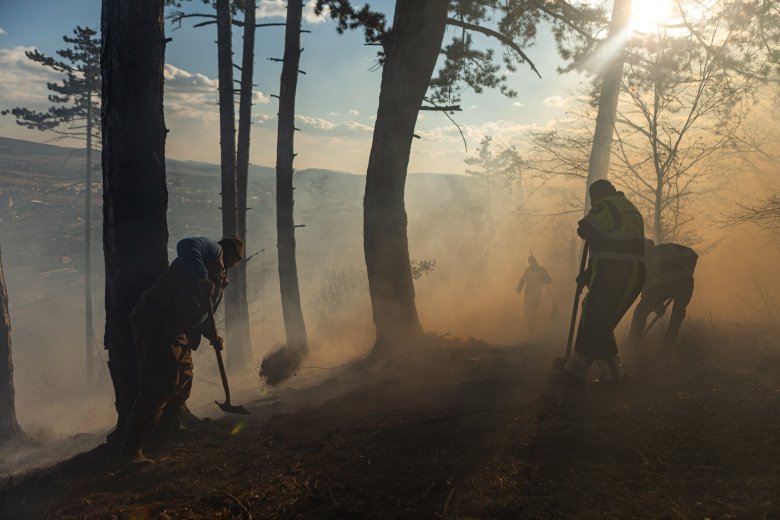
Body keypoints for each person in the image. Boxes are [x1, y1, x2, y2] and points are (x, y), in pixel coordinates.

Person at [120, 236, 244, 463]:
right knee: (161, 382)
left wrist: (212, 335)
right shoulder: (212, 252)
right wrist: (201, 277)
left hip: (178, 328)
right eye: (236, 260)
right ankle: (132, 448)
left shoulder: (219, 277)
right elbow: (185, 245)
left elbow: (201, 314)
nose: (234, 265)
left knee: (184, 377)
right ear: (231, 254)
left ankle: (172, 431)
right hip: (158, 319)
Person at [564, 180, 645, 383]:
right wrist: (589, 273)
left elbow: (586, 229)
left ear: (596, 195)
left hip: (616, 274)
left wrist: (584, 223)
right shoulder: (630, 209)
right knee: (596, 321)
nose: (593, 205)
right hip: (626, 273)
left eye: (592, 201)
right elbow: (616, 247)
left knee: (596, 320)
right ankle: (577, 367)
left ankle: (612, 375)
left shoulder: (607, 204)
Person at [629, 239, 697, 344]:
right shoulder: (669, 247)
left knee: (640, 312)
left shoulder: (645, 261)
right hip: (686, 284)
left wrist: (657, 306)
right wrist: (687, 274)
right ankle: (669, 343)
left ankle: (633, 341)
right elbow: (693, 255)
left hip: (663, 286)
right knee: (678, 312)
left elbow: (645, 288)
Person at [516, 255, 552, 328]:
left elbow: (550, 280)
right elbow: (522, 280)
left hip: (537, 295)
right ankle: (529, 324)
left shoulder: (542, 270)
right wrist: (519, 288)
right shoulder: (528, 270)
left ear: (534, 261)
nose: (531, 263)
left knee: (532, 310)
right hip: (528, 293)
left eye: (531, 262)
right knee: (526, 309)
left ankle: (531, 326)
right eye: (530, 262)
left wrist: (546, 279)